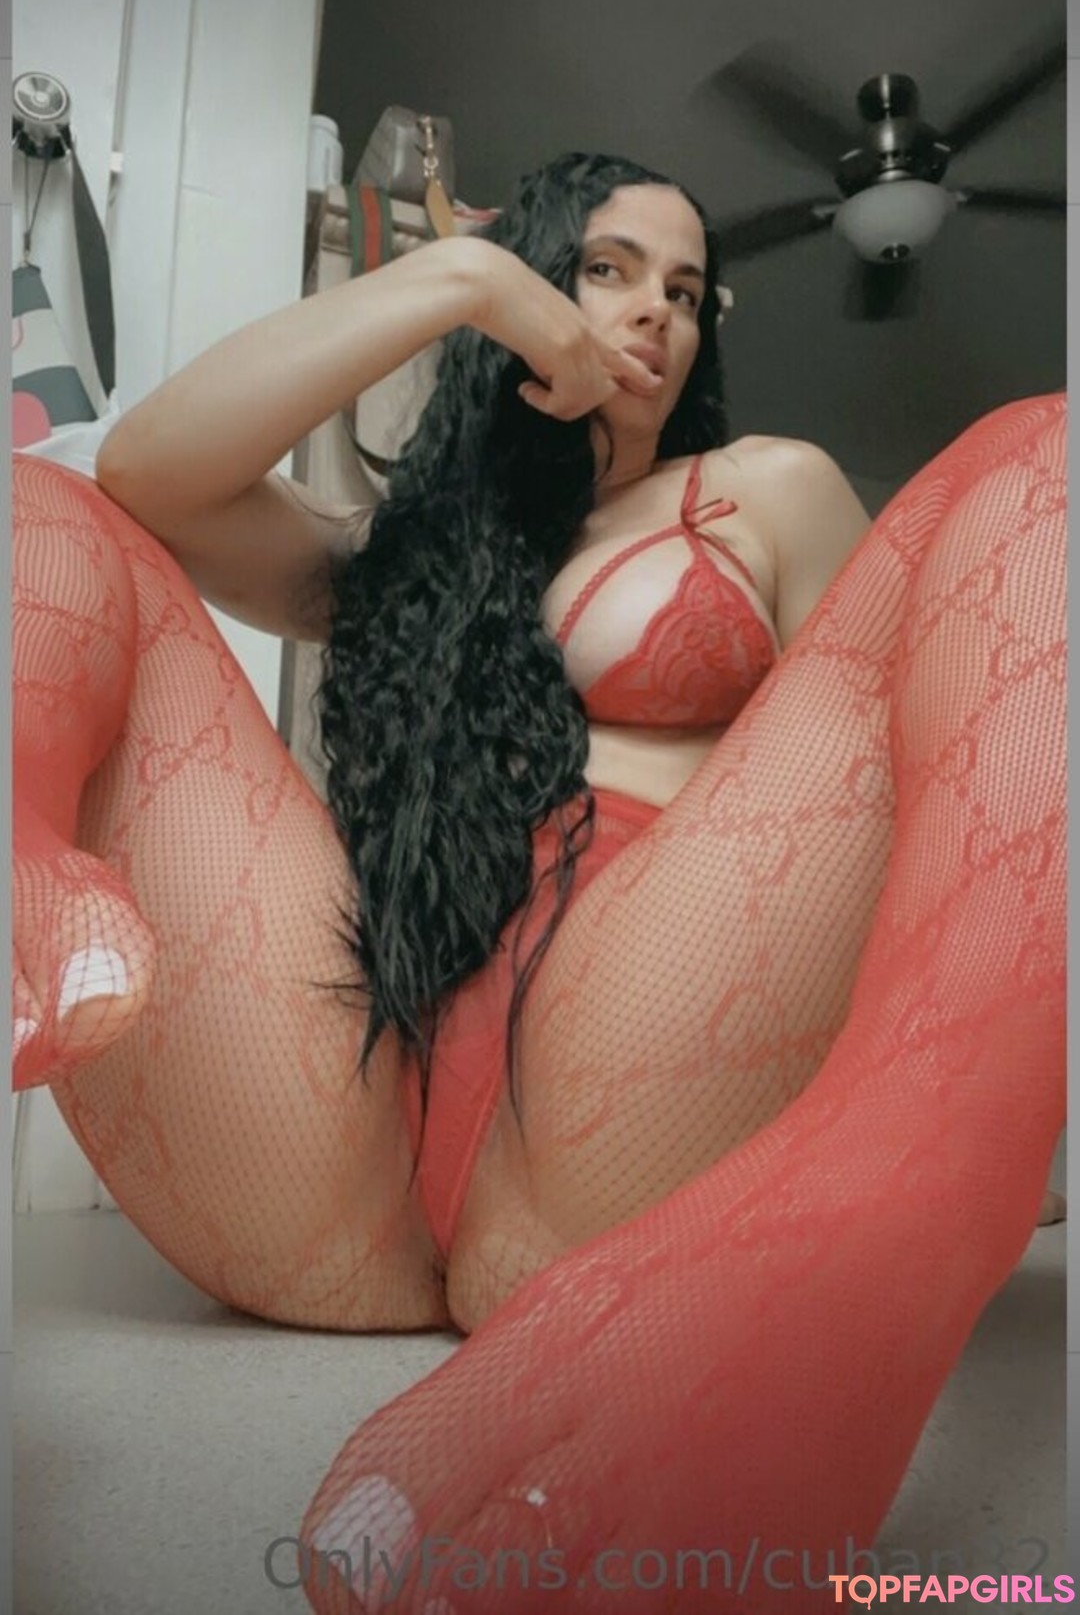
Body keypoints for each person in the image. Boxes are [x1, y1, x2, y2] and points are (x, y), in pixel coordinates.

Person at [13, 151, 1065, 1612]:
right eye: (608, 269)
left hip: (632, 1090)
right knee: (42, 507)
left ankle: (901, 1197)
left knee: (1047, 457)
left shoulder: (764, 491)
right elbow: (147, 474)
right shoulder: (409, 550)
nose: (655, 312)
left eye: (687, 289)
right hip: (339, 1151)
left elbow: (893, 787)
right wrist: (457, 275)